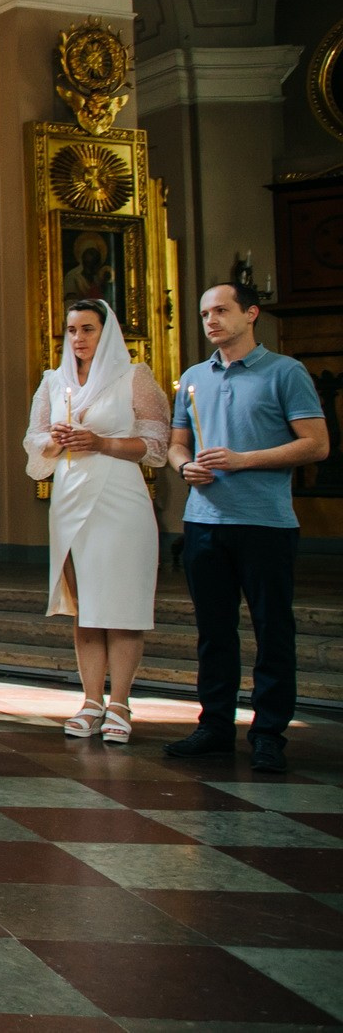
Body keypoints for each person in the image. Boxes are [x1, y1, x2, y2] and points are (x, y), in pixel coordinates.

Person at [165, 282, 327, 774]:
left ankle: (269, 734)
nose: (211, 320)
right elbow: (177, 442)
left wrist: (244, 460)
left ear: (250, 314)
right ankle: (215, 726)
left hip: (264, 523)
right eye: (204, 313)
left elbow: (316, 444)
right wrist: (183, 466)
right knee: (214, 632)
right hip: (203, 521)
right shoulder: (194, 376)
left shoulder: (285, 372)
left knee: (272, 628)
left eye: (221, 310)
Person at [24, 299, 169, 744]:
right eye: (71, 331)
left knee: (121, 605)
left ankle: (121, 703)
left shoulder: (133, 377)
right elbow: (34, 441)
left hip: (119, 496)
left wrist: (101, 441)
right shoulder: (54, 381)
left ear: (107, 333)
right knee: (85, 607)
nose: (78, 339)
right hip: (70, 496)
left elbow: (156, 443)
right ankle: (91, 700)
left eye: (87, 329)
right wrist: (55, 440)